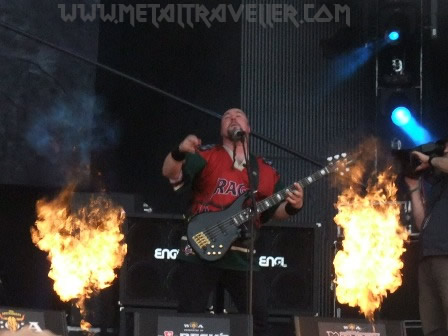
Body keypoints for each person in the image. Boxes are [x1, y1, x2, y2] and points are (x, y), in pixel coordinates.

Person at [162, 108, 304, 336]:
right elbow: (170, 173)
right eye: (227, 116)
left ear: (249, 128)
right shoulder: (205, 155)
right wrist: (179, 152)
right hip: (199, 248)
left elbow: (272, 212)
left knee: (258, 322)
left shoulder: (265, 169)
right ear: (221, 129)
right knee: (188, 320)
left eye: (239, 116)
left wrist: (293, 206)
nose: (233, 118)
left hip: (241, 254)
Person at [405, 137, 448, 336]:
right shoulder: (440, 186)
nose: (444, 152)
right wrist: (414, 188)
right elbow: (423, 224)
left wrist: (430, 160)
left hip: (445, 256)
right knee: (432, 327)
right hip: (428, 257)